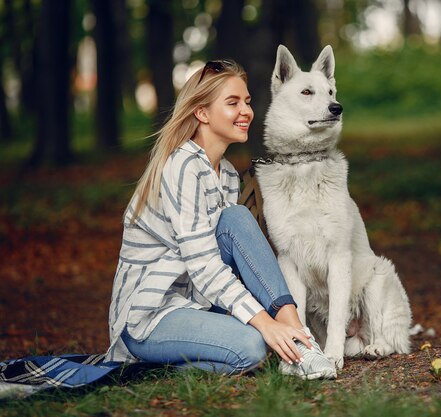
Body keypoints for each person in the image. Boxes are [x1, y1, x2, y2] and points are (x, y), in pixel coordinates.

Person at [105, 59, 336, 380]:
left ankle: (300, 336)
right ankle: (148, 365)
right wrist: (263, 322)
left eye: (248, 102)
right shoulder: (182, 167)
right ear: (202, 113)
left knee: (237, 218)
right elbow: (204, 265)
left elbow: (226, 259)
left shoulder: (226, 174)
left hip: (195, 302)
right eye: (232, 103)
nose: (246, 111)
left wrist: (274, 322)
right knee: (252, 347)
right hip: (149, 316)